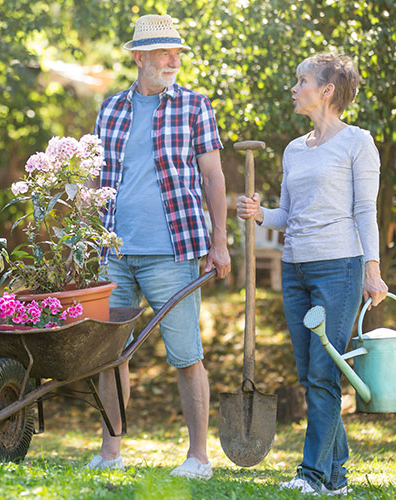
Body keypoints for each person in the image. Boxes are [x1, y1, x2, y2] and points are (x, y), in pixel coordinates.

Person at [85, 14, 231, 479]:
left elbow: (213, 177)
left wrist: (220, 242)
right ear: (139, 57)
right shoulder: (110, 109)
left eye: (177, 53)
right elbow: (97, 179)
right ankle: (110, 452)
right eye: (164, 53)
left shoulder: (194, 106)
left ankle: (198, 459)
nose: (174, 60)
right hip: (116, 253)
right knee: (110, 356)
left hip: (174, 249)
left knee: (186, 356)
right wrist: (87, 238)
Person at [237, 53, 389, 495]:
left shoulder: (358, 142)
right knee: (311, 376)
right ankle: (336, 477)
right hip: (295, 268)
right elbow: (289, 213)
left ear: (327, 91)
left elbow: (365, 210)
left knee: (324, 374)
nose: (294, 88)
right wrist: (260, 213)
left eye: (301, 80)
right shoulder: (294, 149)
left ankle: (312, 474)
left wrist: (372, 271)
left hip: (339, 268)